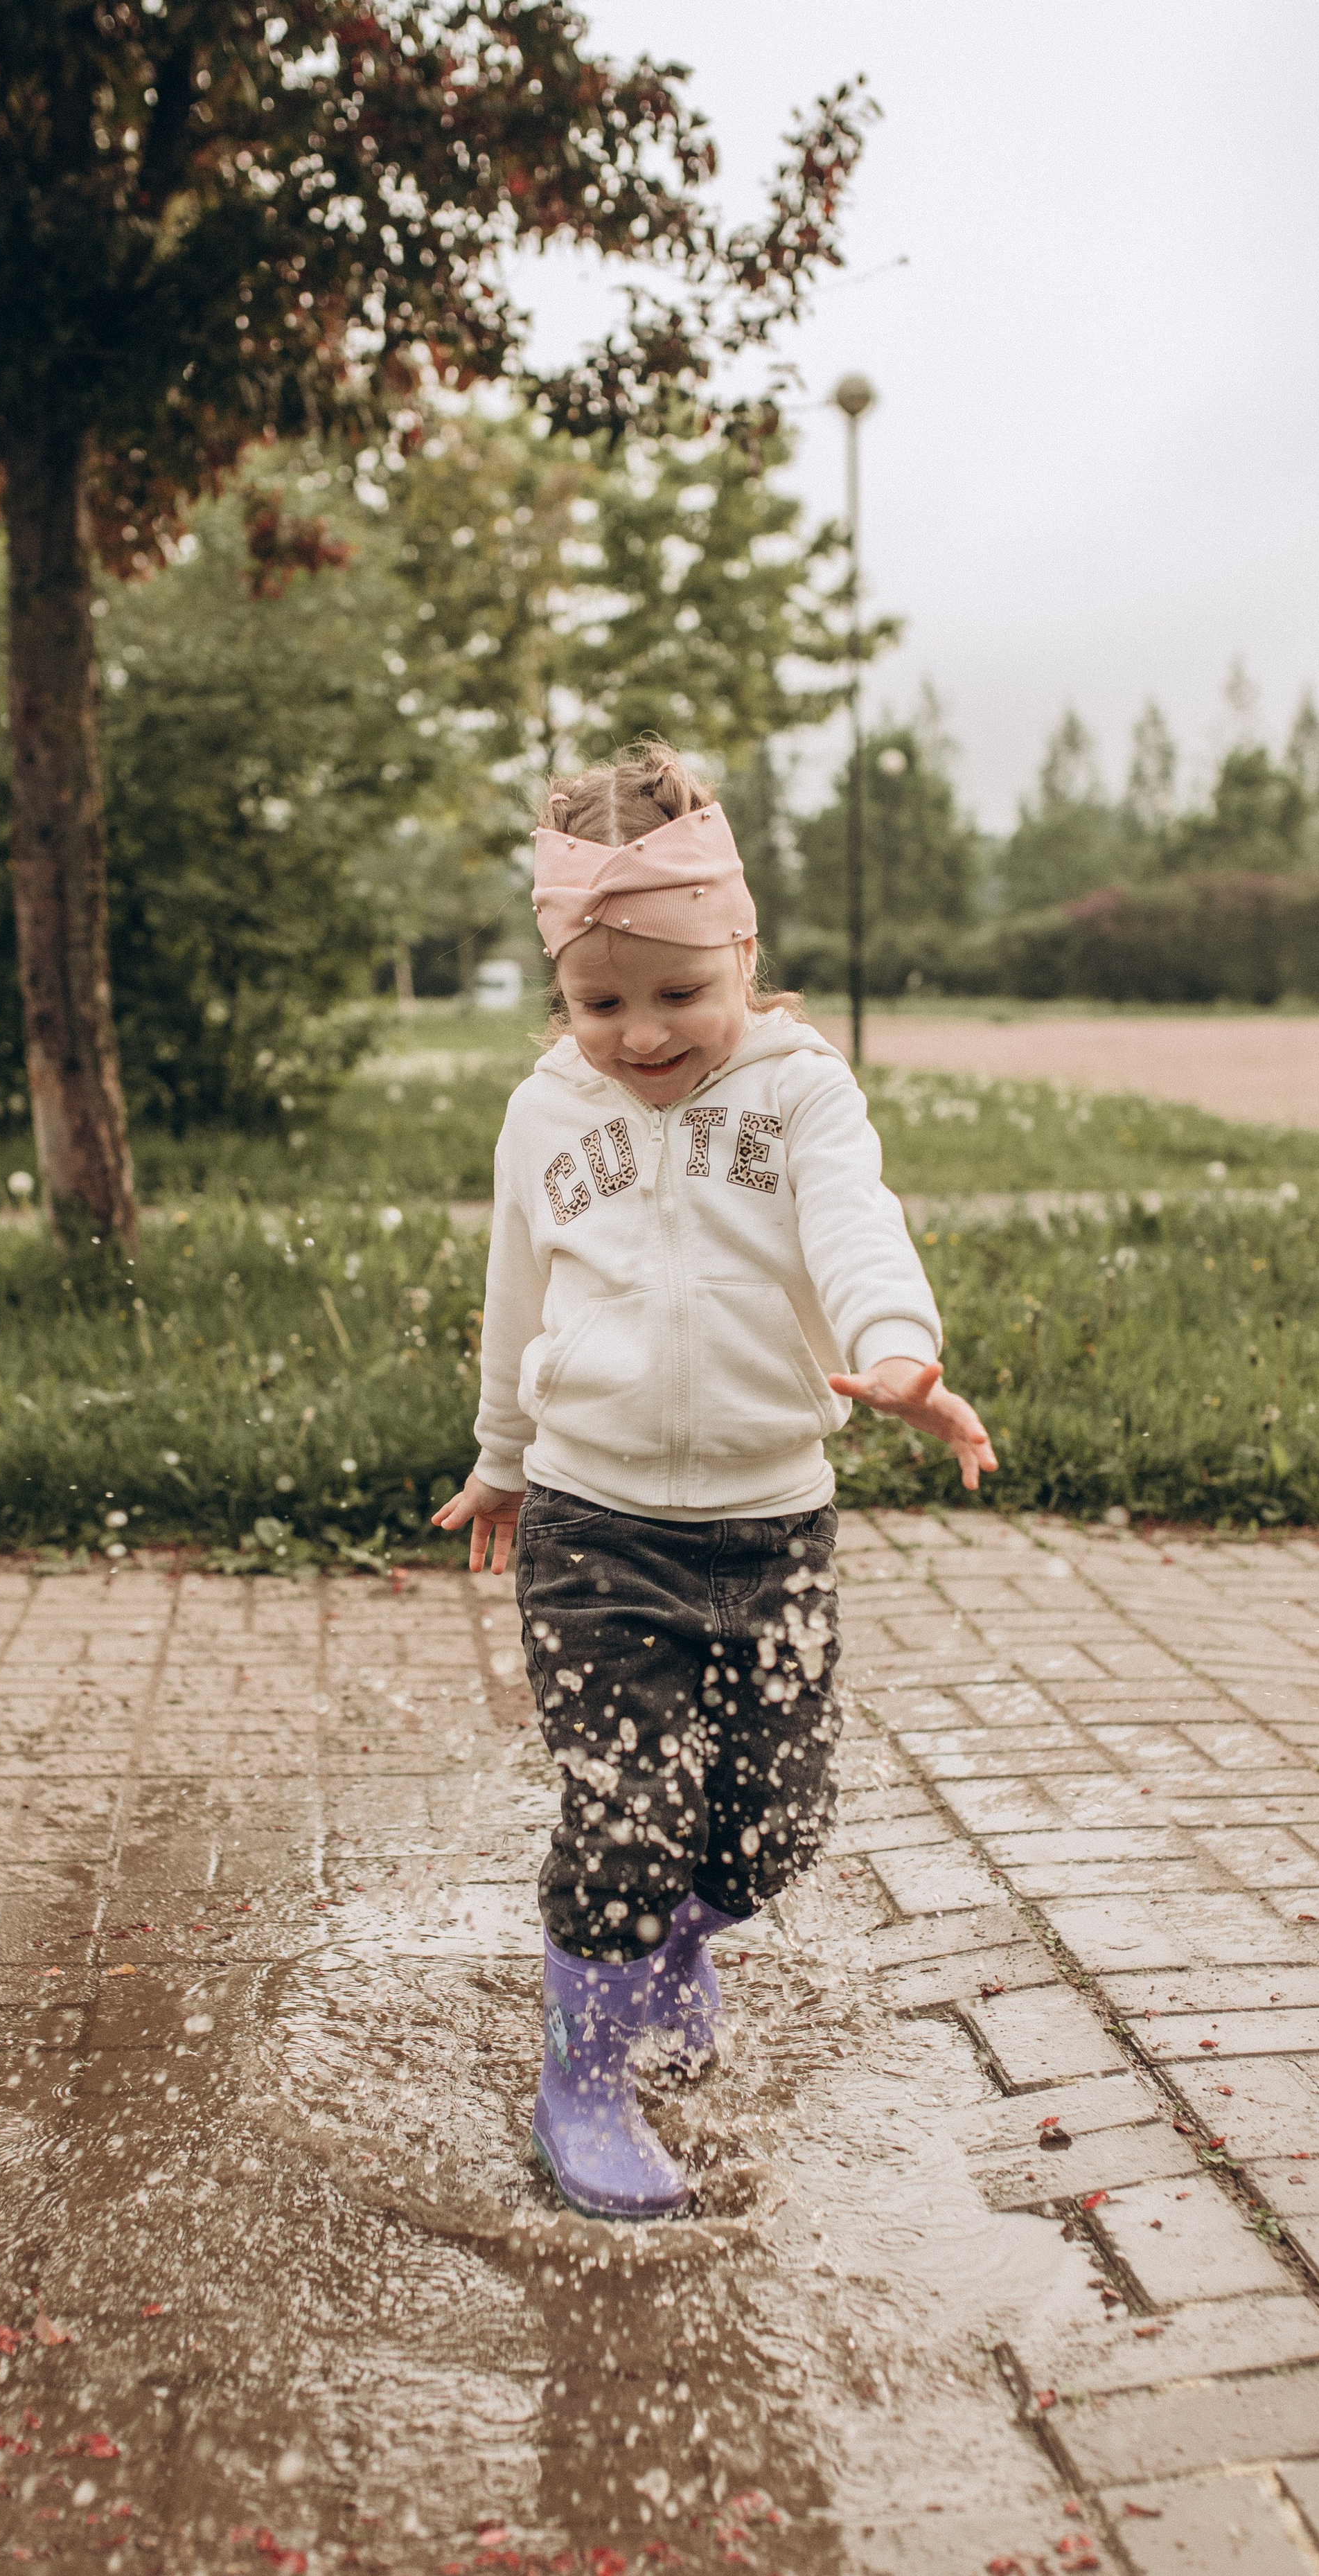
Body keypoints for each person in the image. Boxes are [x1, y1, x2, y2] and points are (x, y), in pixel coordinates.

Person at [432, 743, 995, 2221]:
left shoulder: (801, 1092)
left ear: (743, 949)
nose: (639, 1033)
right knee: (621, 1812)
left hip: (770, 1527)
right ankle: (582, 2078)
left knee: (767, 1831)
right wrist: (501, 1461)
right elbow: (513, 1296)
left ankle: (677, 1935)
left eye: (678, 992)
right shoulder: (544, 1113)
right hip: (592, 1526)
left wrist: (897, 1349)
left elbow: (855, 1226)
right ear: (559, 991)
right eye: (597, 1001)